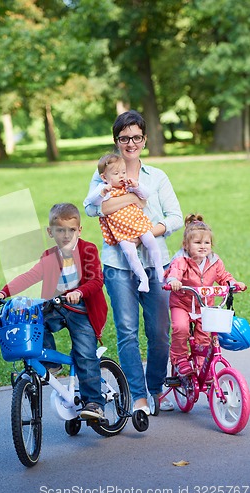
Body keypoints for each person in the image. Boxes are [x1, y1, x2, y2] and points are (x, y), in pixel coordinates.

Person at [84, 110, 183, 415]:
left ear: (144, 140)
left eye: (136, 137)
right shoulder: (103, 171)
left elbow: (175, 218)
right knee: (126, 331)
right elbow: (92, 209)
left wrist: (145, 233)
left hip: (156, 262)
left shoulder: (157, 177)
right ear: (117, 141)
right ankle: (138, 396)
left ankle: (154, 387)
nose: (130, 143)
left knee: (158, 332)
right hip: (117, 263)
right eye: (124, 138)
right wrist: (131, 201)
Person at [0, 203, 108, 420]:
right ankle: (51, 363)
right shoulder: (49, 256)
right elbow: (29, 276)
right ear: (50, 232)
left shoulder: (88, 249)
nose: (66, 235)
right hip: (57, 306)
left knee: (84, 355)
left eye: (71, 230)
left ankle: (94, 402)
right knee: (34, 322)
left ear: (79, 230)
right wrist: (2, 293)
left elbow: (97, 279)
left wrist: (79, 291)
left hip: (82, 308)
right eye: (60, 230)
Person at [164, 213, 247, 375]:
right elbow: (175, 272)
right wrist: (174, 281)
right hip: (182, 304)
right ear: (186, 245)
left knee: (205, 334)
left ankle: (202, 365)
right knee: (180, 328)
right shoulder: (181, 260)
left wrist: (233, 284)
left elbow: (224, 276)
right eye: (197, 242)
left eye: (206, 242)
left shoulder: (214, 261)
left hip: (204, 305)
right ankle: (179, 359)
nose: (203, 246)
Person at [85, 152, 164, 292]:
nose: (122, 176)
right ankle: (143, 278)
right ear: (104, 177)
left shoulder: (128, 185)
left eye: (123, 172)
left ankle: (159, 269)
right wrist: (102, 193)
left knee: (150, 240)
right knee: (130, 254)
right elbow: (92, 202)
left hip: (137, 222)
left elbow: (145, 196)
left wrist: (137, 186)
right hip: (120, 230)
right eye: (116, 173)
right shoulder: (103, 189)